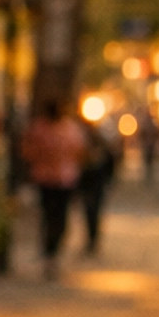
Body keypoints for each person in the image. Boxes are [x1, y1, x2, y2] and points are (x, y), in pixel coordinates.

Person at [21, 94, 87, 277]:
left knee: (59, 217)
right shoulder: (40, 128)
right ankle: (49, 251)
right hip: (46, 179)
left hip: (64, 180)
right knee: (49, 215)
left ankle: (52, 250)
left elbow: (80, 151)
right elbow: (27, 150)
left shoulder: (69, 128)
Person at [78, 119, 120, 253]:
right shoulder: (83, 150)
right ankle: (91, 239)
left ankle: (93, 239)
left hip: (97, 186)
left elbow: (111, 166)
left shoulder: (104, 151)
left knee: (94, 212)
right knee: (89, 212)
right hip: (88, 186)